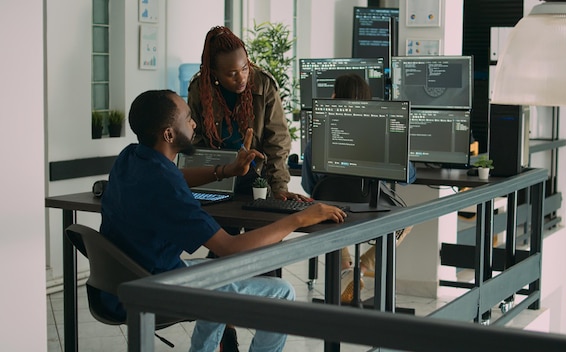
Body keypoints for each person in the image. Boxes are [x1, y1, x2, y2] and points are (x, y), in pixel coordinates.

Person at [100, 89, 347, 352]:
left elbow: (175, 176)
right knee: (281, 292)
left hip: (122, 281)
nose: (193, 122)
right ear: (169, 134)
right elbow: (229, 247)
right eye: (187, 118)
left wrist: (226, 171)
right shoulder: (166, 186)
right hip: (154, 287)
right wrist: (299, 218)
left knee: (216, 276)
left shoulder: (130, 157)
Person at [300, 73, 415, 304]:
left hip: (331, 212)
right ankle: (361, 267)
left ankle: (344, 267)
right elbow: (407, 176)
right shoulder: (381, 133)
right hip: (370, 210)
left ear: (334, 97)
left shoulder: (319, 137)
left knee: (332, 213)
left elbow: (309, 186)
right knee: (406, 221)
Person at [187, 25, 308, 201]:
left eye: (245, 68)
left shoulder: (263, 84)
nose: (242, 78)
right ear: (215, 73)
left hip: (256, 175)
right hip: (216, 176)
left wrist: (279, 187)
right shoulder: (200, 88)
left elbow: (277, 141)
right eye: (232, 74)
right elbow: (195, 139)